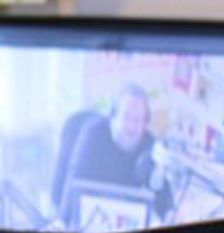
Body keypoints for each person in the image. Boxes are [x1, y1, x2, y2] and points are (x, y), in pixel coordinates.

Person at [54, 82, 174, 220]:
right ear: (114, 116)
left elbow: (161, 193)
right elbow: (75, 179)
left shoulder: (149, 144)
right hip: (91, 213)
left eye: (138, 120)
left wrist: (169, 213)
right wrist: (62, 222)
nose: (131, 127)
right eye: (126, 117)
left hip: (125, 217)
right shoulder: (94, 133)